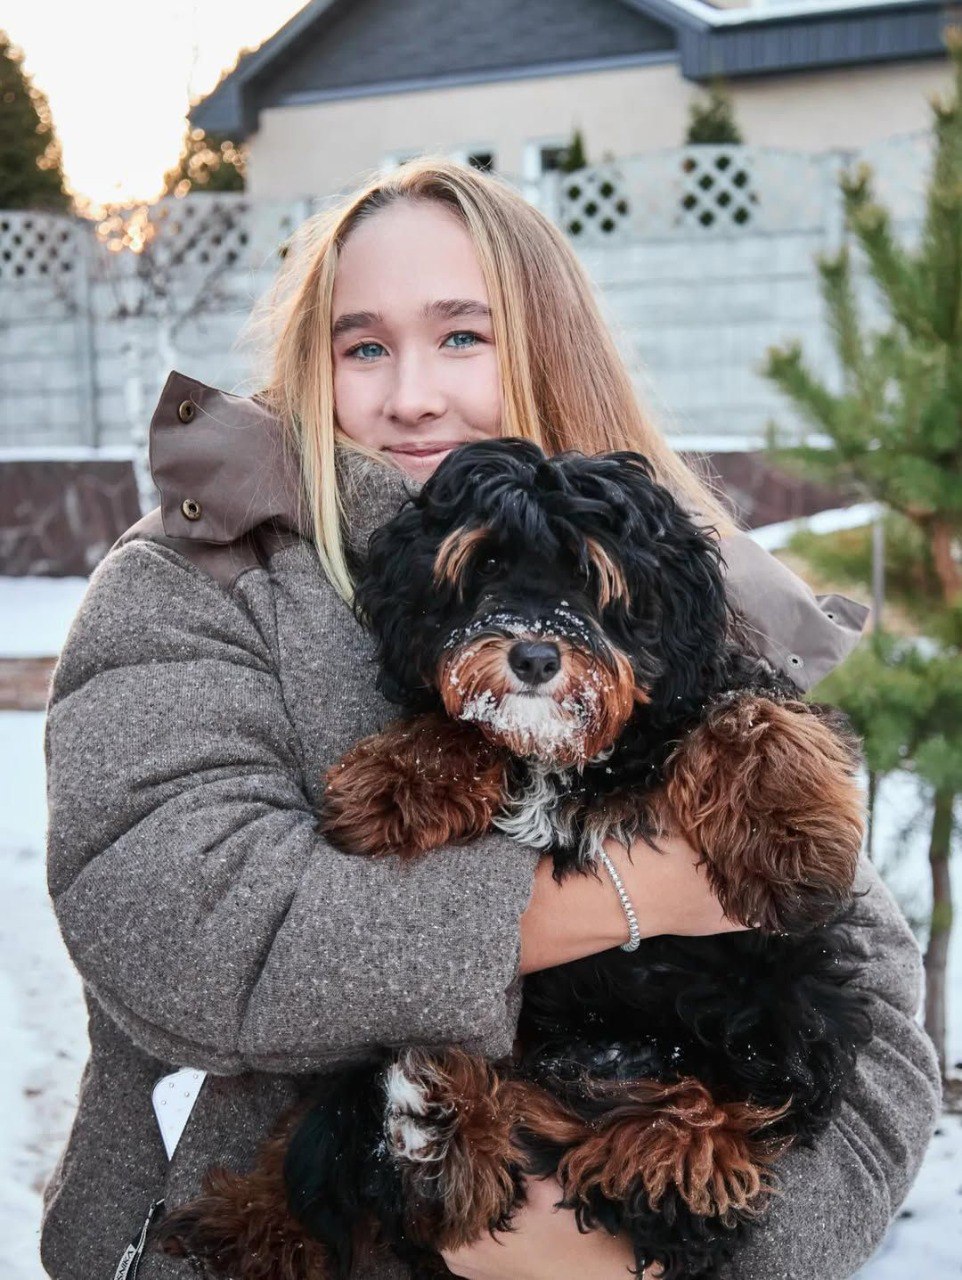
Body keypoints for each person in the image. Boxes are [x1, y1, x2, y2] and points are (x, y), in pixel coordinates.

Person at [41, 157, 940, 1280]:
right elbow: (180, 928)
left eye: (462, 336)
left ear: (546, 346)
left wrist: (649, 1254)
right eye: (364, 346)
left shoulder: (670, 578)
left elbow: (874, 1029)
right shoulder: (197, 582)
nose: (413, 393)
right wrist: (625, 894)